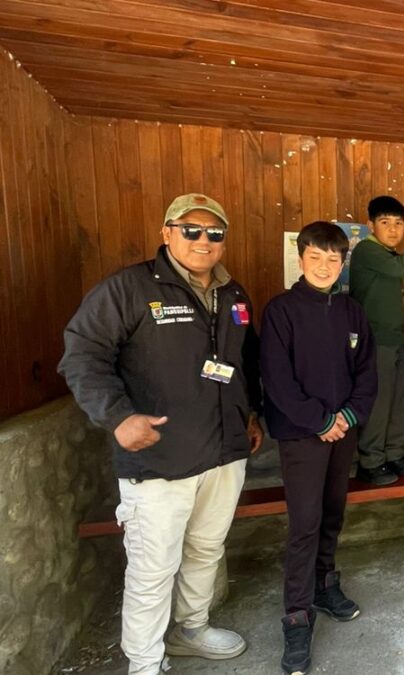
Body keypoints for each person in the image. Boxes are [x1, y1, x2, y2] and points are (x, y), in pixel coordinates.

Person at [58, 193, 263, 675]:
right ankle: (145, 661)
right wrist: (116, 416)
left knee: (206, 549)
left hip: (224, 452)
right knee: (153, 568)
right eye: (190, 229)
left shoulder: (235, 294)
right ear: (166, 233)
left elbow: (242, 363)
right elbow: (82, 355)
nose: (203, 240)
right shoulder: (128, 289)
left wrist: (249, 413)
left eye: (214, 233)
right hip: (158, 459)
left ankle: (191, 628)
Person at [260, 221, 378, 675]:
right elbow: (277, 378)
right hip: (301, 434)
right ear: (301, 256)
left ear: (342, 262)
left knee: (333, 512)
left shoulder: (351, 312)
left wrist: (348, 416)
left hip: (342, 432)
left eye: (335, 258)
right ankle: (296, 615)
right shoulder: (282, 311)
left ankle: (326, 585)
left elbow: (367, 372)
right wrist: (320, 420)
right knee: (304, 524)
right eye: (317, 257)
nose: (326, 266)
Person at [349, 195, 404, 485]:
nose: (393, 229)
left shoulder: (386, 254)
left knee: (399, 402)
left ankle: (394, 456)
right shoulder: (367, 250)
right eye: (385, 223)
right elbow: (401, 269)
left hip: (394, 340)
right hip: (374, 342)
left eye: (398, 223)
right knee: (380, 402)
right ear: (371, 225)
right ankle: (371, 461)